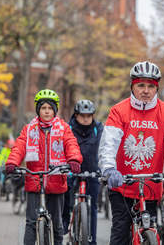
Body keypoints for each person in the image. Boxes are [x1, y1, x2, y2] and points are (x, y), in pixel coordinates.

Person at [98, 61, 164, 245]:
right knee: (121, 230)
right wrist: (109, 167)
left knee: (150, 230)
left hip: (150, 186)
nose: (146, 91)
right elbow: (109, 142)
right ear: (132, 85)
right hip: (121, 184)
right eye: (141, 85)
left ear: (156, 88)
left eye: (151, 86)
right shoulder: (118, 110)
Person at [5, 89, 83, 245]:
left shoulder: (64, 128)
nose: (47, 111)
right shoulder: (29, 129)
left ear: (55, 110)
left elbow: (71, 144)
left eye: (50, 108)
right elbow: (19, 146)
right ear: (38, 110)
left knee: (57, 224)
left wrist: (74, 159)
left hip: (56, 180)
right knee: (31, 222)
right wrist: (12, 162)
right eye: (43, 108)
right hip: (34, 179)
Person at [62, 99, 104, 244]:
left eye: (89, 115)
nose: (86, 119)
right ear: (76, 115)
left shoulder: (98, 128)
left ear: (93, 115)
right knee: (65, 189)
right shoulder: (69, 128)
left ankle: (92, 240)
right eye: (82, 115)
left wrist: (104, 168)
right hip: (72, 168)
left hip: (93, 169)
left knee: (92, 205)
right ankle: (65, 219)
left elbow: (102, 148)